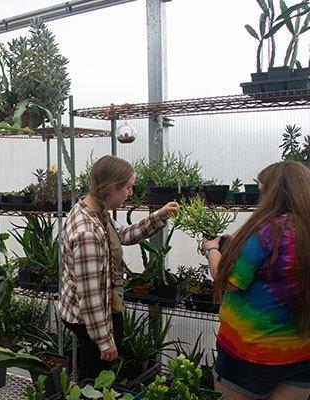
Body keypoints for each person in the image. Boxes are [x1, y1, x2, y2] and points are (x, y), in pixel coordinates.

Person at [58, 155, 179, 380]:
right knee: (95, 380)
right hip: (89, 318)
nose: (130, 193)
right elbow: (91, 297)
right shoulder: (87, 233)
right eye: (128, 187)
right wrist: (105, 342)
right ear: (111, 188)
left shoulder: (93, 210)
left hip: (88, 310)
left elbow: (122, 234)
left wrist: (158, 217)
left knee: (90, 375)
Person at [201, 161, 310, 400]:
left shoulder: (266, 231)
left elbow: (228, 280)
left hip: (250, 356)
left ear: (271, 192)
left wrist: (212, 250)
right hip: (301, 355)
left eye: (261, 189)